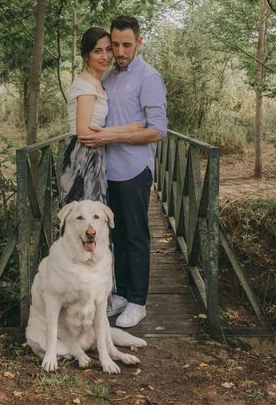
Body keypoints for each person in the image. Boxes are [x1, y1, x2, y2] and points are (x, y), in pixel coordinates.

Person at [78, 16, 167, 328]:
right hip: (105, 171)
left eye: (126, 44)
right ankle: (121, 294)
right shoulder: (109, 76)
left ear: (139, 42)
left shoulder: (149, 78)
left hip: (133, 169)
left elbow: (157, 130)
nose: (119, 51)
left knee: (135, 235)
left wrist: (109, 135)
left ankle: (138, 301)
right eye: (114, 45)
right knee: (113, 236)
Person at [60, 27, 143, 205]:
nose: (105, 56)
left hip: (96, 152)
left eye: (108, 49)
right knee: (84, 219)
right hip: (82, 155)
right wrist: (126, 129)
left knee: (95, 219)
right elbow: (83, 132)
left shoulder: (99, 82)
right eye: (97, 51)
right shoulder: (85, 85)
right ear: (86, 55)